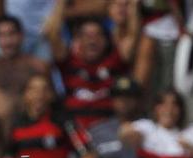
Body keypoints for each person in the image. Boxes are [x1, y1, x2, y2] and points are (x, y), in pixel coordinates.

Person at [45, 0, 135, 129]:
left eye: (97, 35)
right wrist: (61, 2)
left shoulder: (115, 59)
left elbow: (132, 35)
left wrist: (133, 6)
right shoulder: (68, 61)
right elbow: (51, 33)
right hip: (75, 132)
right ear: (77, 41)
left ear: (106, 41)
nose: (92, 41)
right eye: (87, 36)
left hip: (110, 130)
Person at [9, 74, 97, 158]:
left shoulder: (63, 121)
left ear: (51, 95)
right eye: (33, 89)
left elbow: (89, 155)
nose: (39, 95)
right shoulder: (15, 127)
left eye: (44, 90)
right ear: (25, 95)